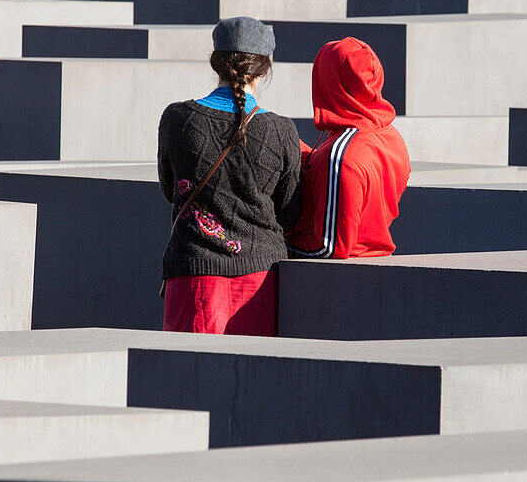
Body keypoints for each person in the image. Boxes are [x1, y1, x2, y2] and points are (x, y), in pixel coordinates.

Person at [158, 17, 302, 336]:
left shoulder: (177, 118)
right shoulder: (281, 130)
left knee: (189, 377)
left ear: (215, 61)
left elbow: (170, 189)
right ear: (264, 68)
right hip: (262, 278)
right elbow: (290, 213)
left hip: (194, 273)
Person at [286, 37, 410, 259]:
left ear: (328, 81)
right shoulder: (390, 136)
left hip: (334, 282)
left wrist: (270, 243)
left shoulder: (342, 155)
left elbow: (329, 247)